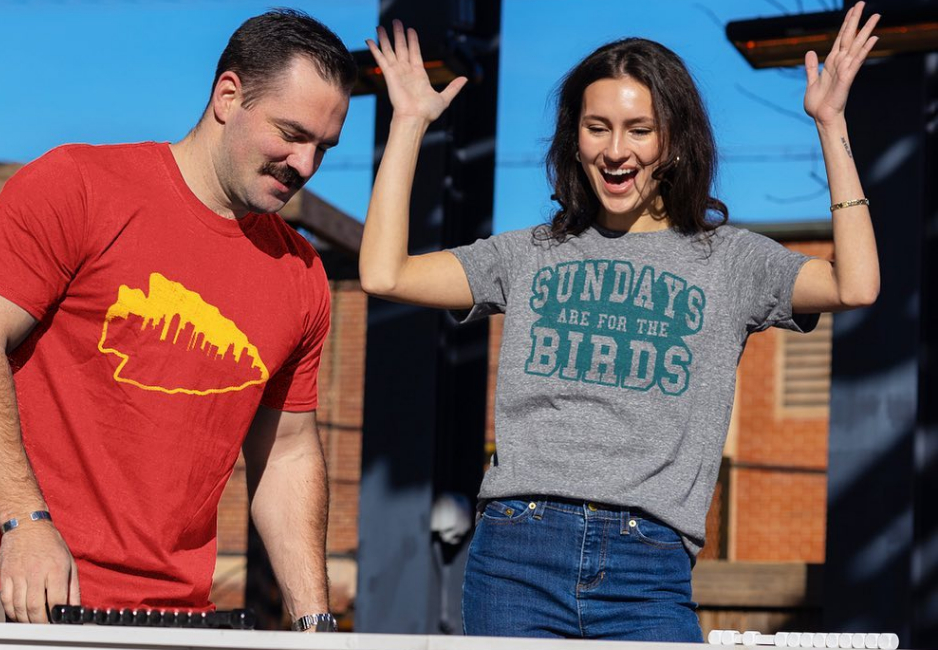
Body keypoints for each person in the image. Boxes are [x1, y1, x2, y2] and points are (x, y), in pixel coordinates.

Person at [360, 2, 879, 641]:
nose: (615, 150)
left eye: (639, 129)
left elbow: (856, 285)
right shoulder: (527, 252)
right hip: (517, 553)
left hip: (649, 563)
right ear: (573, 139)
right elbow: (384, 274)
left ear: (675, 141)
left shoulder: (732, 260)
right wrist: (409, 122)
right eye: (597, 127)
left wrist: (831, 124)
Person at [0, 9, 355, 629]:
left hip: (173, 614)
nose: (306, 164)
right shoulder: (77, 186)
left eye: (323, 148)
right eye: (291, 133)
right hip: (15, 582)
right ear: (228, 96)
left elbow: (285, 452)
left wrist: (315, 622)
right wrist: (24, 522)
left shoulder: (302, 273)